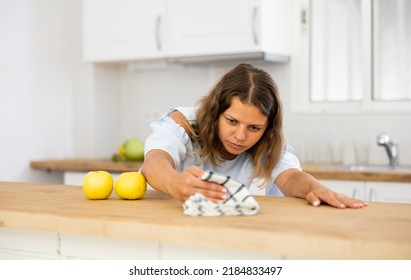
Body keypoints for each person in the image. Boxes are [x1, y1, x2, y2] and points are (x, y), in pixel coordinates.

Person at [141, 63, 367, 209]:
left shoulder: (268, 141)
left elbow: (289, 177)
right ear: (215, 112)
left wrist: (313, 187)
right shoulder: (184, 123)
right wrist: (174, 182)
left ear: (267, 127)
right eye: (231, 121)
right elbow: (154, 163)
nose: (240, 136)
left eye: (254, 128)